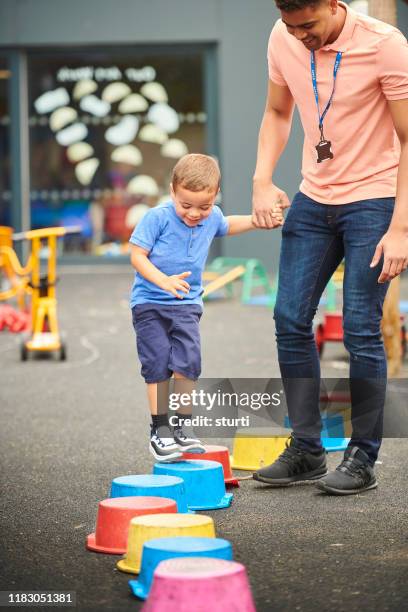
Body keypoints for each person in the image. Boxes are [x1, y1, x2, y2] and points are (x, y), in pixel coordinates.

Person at [252, 0, 408, 494]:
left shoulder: (385, 46)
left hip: (375, 199)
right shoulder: (283, 36)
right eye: (290, 25)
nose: (300, 36)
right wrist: (261, 179)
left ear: (333, 5)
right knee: (289, 318)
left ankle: (362, 458)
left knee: (361, 328)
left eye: (308, 25)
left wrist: (401, 227)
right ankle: (307, 449)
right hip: (314, 197)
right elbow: (278, 111)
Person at [129, 153, 283, 461]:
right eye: (186, 205)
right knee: (158, 364)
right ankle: (159, 431)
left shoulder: (212, 216)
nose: (194, 214)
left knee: (188, 364)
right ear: (172, 191)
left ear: (215, 197)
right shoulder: (156, 218)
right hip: (150, 304)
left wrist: (257, 221)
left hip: (187, 305)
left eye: (204, 206)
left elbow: (226, 224)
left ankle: (182, 426)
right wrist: (164, 281)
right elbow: (137, 256)